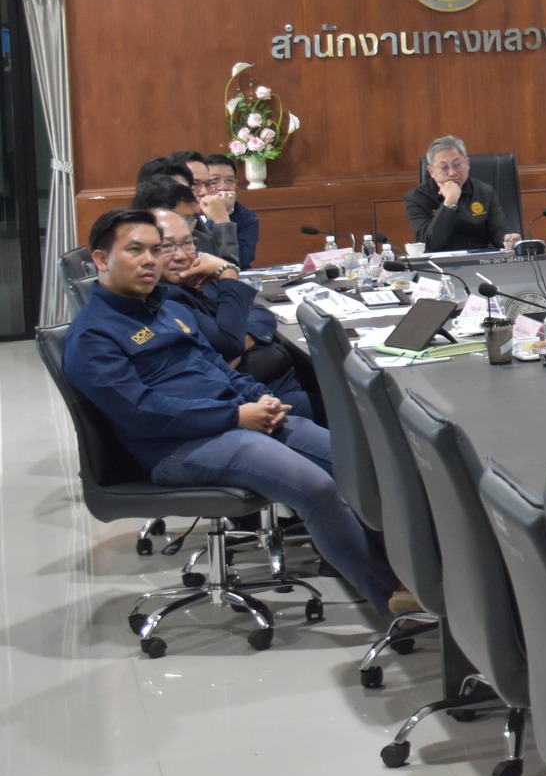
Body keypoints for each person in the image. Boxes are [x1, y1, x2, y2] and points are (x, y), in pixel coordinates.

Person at [63, 208, 405, 613]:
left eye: (156, 250)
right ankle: (392, 597)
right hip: (175, 446)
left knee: (364, 468)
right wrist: (235, 417)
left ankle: (422, 577)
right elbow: (143, 412)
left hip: (233, 419)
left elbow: (216, 366)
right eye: (135, 250)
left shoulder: (167, 308)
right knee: (314, 487)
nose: (150, 260)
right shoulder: (93, 335)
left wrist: (260, 397)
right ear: (101, 259)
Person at [149, 207, 318, 424]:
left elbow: (259, 311)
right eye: (167, 247)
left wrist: (246, 337)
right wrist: (228, 272)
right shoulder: (165, 298)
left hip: (282, 383)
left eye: (187, 243)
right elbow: (229, 344)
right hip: (261, 399)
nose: (181, 256)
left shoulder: (195, 277)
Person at [403, 135, 521, 252]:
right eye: (444, 167)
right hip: (439, 262)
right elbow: (429, 245)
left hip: (479, 258)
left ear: (467, 163)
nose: (452, 173)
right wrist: (450, 202)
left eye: (457, 164)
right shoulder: (417, 198)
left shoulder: (485, 192)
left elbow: (499, 231)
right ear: (431, 171)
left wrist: (507, 238)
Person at [138, 155, 242, 265]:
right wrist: (222, 222)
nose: (204, 192)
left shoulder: (198, 230)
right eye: (194, 185)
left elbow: (226, 270)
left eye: (208, 184)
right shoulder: (139, 233)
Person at [201, 153, 260, 268]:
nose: (223, 187)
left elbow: (241, 259)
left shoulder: (246, 217)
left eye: (230, 181)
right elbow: (201, 252)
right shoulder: (189, 212)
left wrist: (223, 216)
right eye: (214, 181)